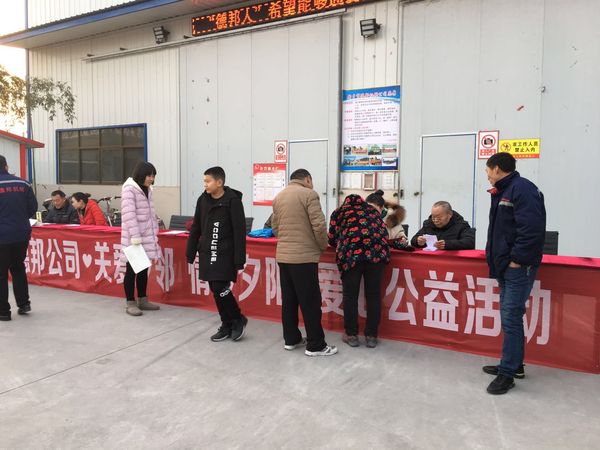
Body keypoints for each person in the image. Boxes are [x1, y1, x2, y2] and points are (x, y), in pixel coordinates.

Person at [482, 152, 546, 395]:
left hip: (517, 267)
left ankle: (507, 374)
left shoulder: (522, 189)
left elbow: (531, 229)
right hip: (504, 266)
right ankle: (513, 364)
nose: (487, 175)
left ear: (497, 168)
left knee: (511, 318)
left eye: (488, 170)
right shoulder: (504, 190)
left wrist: (517, 260)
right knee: (509, 317)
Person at [272, 168, 337, 357]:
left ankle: (291, 339)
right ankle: (316, 345)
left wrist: (287, 241)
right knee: (310, 302)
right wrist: (322, 246)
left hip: (284, 256)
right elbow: (319, 225)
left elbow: (275, 227)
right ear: (307, 179)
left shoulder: (279, 196)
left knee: (289, 300)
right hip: (304, 257)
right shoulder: (309, 195)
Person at [186, 166, 248, 342]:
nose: (205, 184)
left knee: (221, 288)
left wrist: (239, 259)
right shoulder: (203, 200)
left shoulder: (233, 201)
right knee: (215, 289)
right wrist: (190, 252)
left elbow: (239, 231)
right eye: (204, 181)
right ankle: (227, 324)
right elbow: (196, 227)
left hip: (225, 254)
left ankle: (237, 319)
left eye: (208, 181)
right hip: (208, 252)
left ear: (219, 182)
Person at [328, 194, 390, 348]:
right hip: (376, 254)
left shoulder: (339, 211)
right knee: (374, 295)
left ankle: (351, 335)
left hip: (352, 256)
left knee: (350, 296)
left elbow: (332, 238)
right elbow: (384, 233)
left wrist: (343, 241)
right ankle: (371, 336)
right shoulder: (373, 211)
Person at [120, 162, 162, 316]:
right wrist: (136, 237)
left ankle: (143, 300)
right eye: (149, 175)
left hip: (146, 236)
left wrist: (154, 229)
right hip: (134, 238)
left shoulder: (147, 189)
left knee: (143, 269)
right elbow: (129, 214)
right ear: (141, 174)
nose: (151, 178)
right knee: (131, 271)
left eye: (153, 176)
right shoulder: (129, 189)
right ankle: (130, 302)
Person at [0, 155, 38, 321]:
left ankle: (3, 312)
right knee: (18, 267)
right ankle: (24, 304)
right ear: (6, 166)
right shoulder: (23, 183)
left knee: (1, 273)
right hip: (21, 234)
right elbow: (33, 208)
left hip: (2, 236)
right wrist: (19, 219)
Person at [410, 201, 475, 250]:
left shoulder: (461, 225)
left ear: (449, 215)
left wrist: (447, 244)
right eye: (433, 217)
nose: (435, 220)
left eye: (439, 217)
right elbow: (413, 240)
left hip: (452, 260)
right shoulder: (428, 224)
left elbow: (470, 242)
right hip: (430, 259)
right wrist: (418, 241)